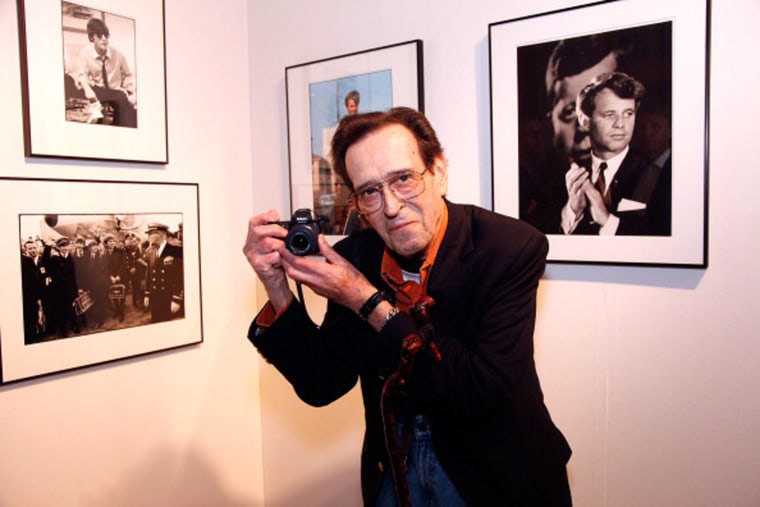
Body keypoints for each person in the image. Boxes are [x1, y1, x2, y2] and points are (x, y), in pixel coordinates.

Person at [243, 107, 572, 506]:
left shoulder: (509, 247)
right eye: (369, 191)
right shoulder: (356, 258)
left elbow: (479, 389)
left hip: (497, 475)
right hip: (395, 474)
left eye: (403, 179)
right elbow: (322, 383)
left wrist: (367, 300)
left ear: (439, 172)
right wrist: (277, 288)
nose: (392, 206)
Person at [560, 72, 671, 235]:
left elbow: (665, 242)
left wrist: (607, 220)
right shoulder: (567, 176)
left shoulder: (660, 177)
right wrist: (572, 212)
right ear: (585, 121)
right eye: (610, 115)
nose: (620, 124)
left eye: (628, 114)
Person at [76, 17, 137, 128]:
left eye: (106, 35)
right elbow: (82, 76)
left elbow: (128, 74)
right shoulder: (85, 53)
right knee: (91, 113)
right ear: (92, 37)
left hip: (115, 91)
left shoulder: (117, 54)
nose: (104, 39)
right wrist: (88, 90)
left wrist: (128, 89)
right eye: (99, 36)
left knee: (125, 110)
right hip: (98, 90)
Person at [143, 223, 183, 323]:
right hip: (155, 296)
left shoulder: (175, 250)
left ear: (161, 234)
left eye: (151, 233)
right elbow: (149, 274)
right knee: (155, 322)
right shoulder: (151, 252)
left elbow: (180, 276)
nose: (148, 237)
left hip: (168, 296)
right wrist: (147, 294)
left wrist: (176, 298)